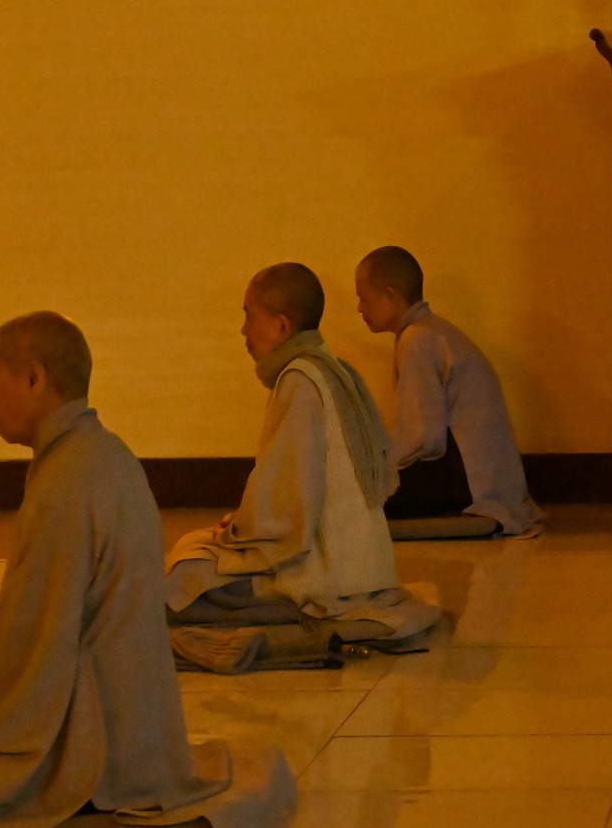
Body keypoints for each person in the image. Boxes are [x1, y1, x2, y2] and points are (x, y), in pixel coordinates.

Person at [0, 313, 294, 828]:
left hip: (91, 747)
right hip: (138, 731)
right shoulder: (102, 453)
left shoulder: (67, 480)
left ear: (33, 378)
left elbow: (33, 653)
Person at [164, 263, 439, 644]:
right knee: (194, 557)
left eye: (248, 316)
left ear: (281, 326)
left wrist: (235, 534)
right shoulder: (330, 369)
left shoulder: (299, 381)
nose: (243, 330)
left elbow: (287, 507)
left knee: (185, 575)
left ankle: (296, 611)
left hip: (326, 574)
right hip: (363, 567)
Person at [356, 245, 544, 535]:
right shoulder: (430, 331)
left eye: (363, 297)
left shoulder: (417, 339)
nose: (359, 308)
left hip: (469, 485)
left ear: (390, 296)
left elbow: (423, 439)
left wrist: (379, 472)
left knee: (356, 496)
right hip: (485, 479)